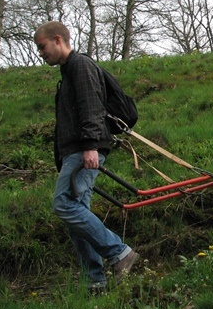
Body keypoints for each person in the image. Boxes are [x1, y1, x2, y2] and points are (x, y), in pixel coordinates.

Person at [34, 21, 139, 291]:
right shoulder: (68, 72)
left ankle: (120, 253)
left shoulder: (80, 65)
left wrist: (91, 146)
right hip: (76, 150)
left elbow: (91, 106)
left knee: (64, 204)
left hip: (84, 150)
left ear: (57, 39)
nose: (40, 53)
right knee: (77, 215)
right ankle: (96, 280)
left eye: (42, 46)